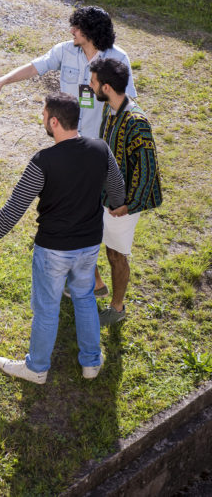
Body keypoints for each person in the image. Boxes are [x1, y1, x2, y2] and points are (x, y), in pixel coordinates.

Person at [0, 93, 125, 384]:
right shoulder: (100, 149)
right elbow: (117, 188)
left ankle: (36, 368)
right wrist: (115, 203)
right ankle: (91, 363)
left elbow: (12, 211)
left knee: (47, 308)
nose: (42, 120)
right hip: (89, 246)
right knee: (85, 299)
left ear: (54, 121)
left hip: (53, 249)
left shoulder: (43, 161)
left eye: (43, 116)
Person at [0, 6, 136, 139]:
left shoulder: (118, 58)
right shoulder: (64, 50)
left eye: (77, 27)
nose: (71, 31)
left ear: (90, 32)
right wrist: (1, 82)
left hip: (100, 140)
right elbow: (34, 67)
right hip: (67, 137)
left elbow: (127, 102)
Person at [89, 58, 162, 326]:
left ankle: (117, 308)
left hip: (123, 205)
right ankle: (95, 285)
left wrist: (129, 205)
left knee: (116, 254)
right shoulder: (110, 110)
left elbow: (148, 169)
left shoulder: (137, 122)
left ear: (106, 87)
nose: (90, 86)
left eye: (94, 82)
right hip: (105, 196)